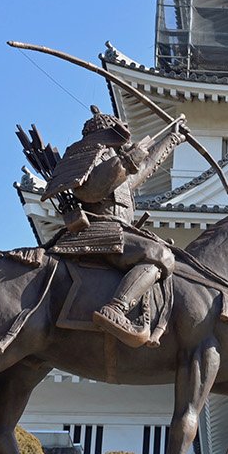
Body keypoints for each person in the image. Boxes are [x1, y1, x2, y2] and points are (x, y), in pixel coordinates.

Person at [41, 105, 180, 347]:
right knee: (160, 255)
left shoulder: (118, 163)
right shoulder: (91, 156)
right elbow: (92, 191)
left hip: (119, 229)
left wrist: (172, 138)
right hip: (99, 230)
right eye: (120, 130)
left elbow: (144, 170)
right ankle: (116, 308)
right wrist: (127, 159)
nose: (126, 133)